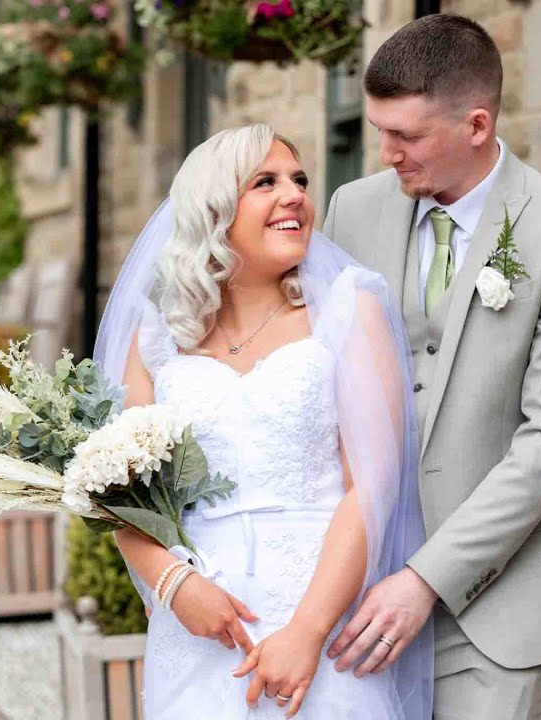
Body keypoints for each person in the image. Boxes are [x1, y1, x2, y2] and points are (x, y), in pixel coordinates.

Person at [321, 14, 541, 720]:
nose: (386, 153)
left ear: (477, 125)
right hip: (357, 596)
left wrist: (427, 579)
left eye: (407, 136)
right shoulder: (351, 210)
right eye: (378, 129)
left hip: (499, 611)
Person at [92, 123, 434, 719]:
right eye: (266, 182)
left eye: (299, 180)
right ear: (215, 210)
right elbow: (119, 494)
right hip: (200, 626)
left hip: (324, 612)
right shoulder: (156, 340)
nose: (295, 194)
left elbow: (372, 489)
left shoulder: (350, 308)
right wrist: (174, 586)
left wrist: (307, 632)